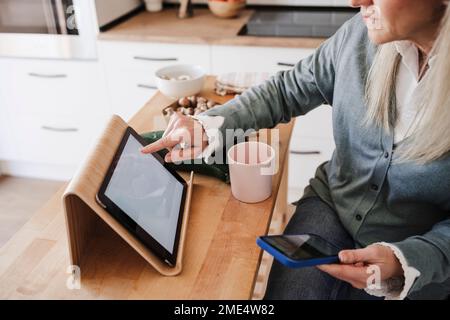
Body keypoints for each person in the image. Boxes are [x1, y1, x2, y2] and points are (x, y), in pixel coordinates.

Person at [141, 0, 450, 300]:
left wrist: (405, 261)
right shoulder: (359, 35)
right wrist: (206, 126)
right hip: (332, 205)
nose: (356, 1)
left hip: (417, 247)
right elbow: (286, 89)